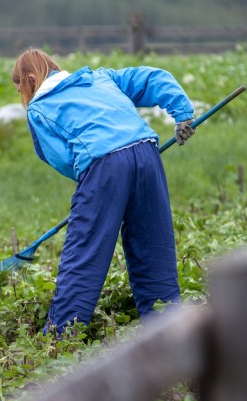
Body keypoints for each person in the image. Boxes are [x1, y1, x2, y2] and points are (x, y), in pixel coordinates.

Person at [11, 48, 195, 334]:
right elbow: (152, 77)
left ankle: (61, 337)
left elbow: (57, 157)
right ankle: (168, 331)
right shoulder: (101, 78)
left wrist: (99, 187)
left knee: (85, 252)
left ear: (31, 80)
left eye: (20, 88)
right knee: (152, 245)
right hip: (146, 152)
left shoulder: (39, 108)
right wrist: (181, 112)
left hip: (103, 165)